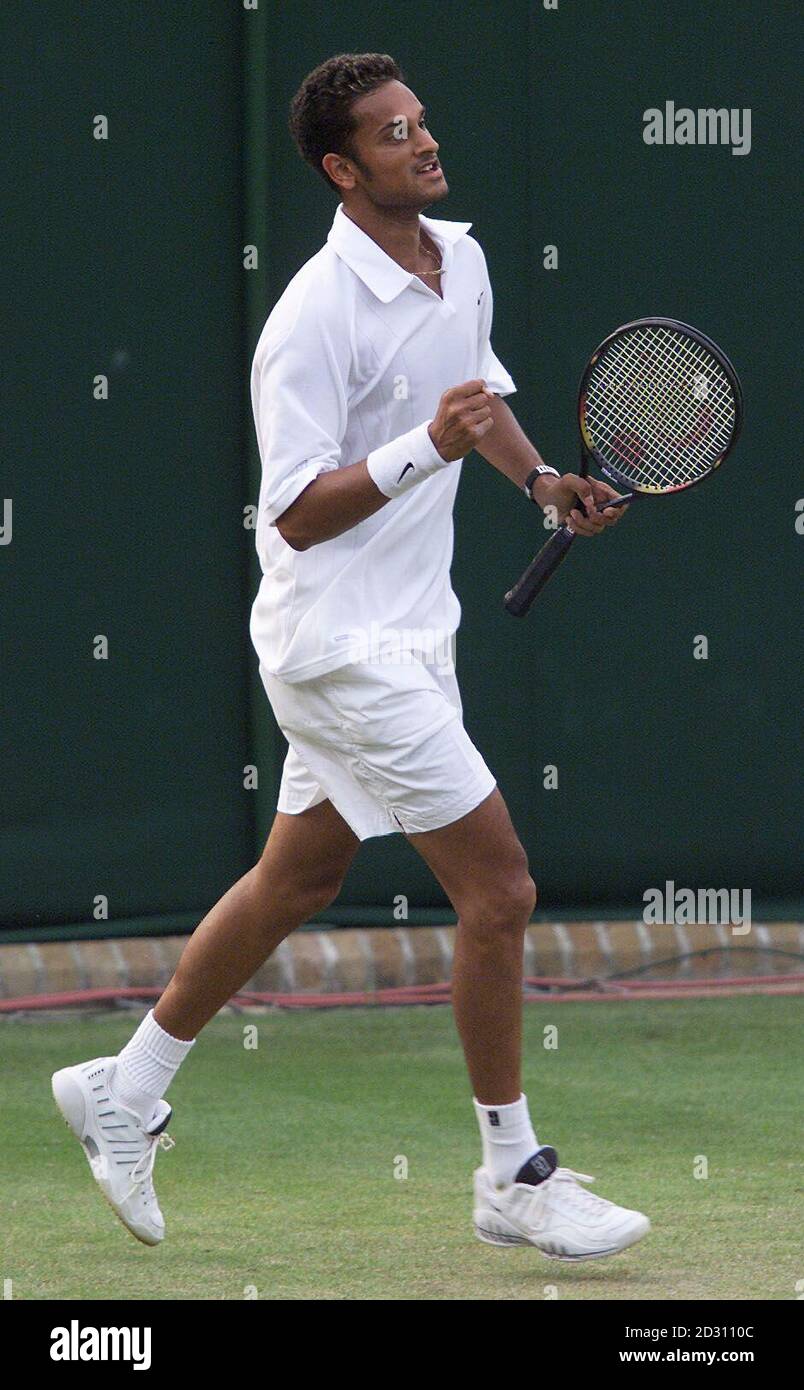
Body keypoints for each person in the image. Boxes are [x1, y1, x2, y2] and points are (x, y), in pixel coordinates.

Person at [52, 52, 649, 1262]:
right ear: (341, 167)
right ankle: (512, 1174)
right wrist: (426, 449)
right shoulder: (310, 321)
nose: (423, 144)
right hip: (337, 647)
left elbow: (474, 401)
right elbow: (296, 513)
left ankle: (127, 1084)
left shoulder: (462, 257)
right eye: (392, 135)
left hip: (413, 635)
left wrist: (541, 482)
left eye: (421, 122)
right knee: (503, 889)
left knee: (296, 881)